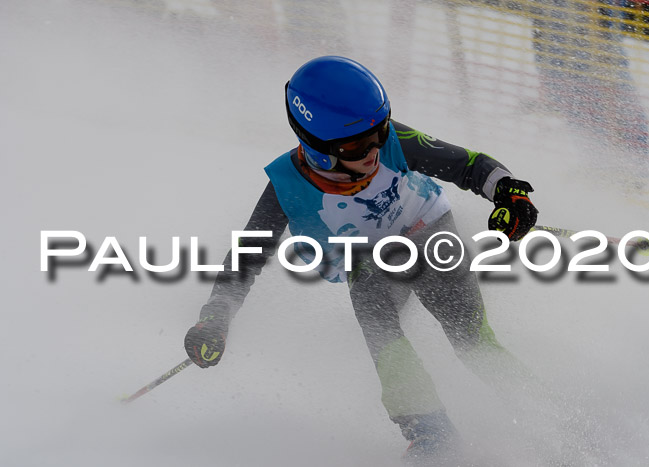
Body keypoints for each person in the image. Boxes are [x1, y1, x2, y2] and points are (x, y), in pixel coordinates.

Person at [184, 56, 539, 465]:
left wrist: (508, 192)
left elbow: (469, 165)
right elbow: (245, 259)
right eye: (355, 145)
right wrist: (215, 320)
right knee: (379, 324)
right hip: (368, 264)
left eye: (379, 132)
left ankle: (545, 414)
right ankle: (429, 431)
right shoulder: (287, 186)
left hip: (428, 231)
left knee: (471, 339)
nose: (373, 150)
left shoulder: (392, 142)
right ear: (318, 148)